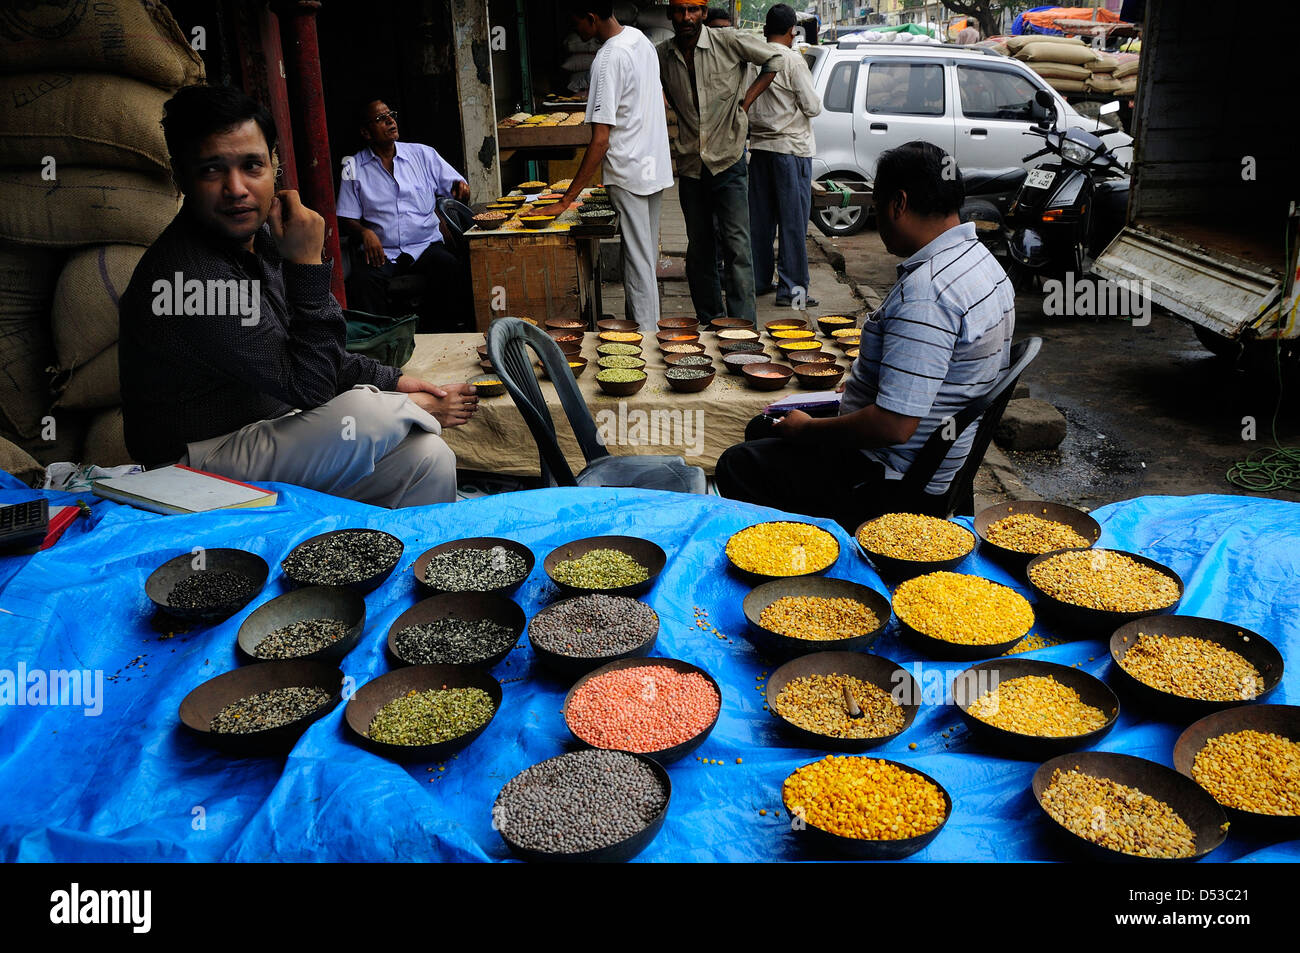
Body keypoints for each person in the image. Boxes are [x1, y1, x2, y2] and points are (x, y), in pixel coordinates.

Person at [119, 85, 478, 508]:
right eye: (212, 171)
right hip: (190, 465)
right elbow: (309, 385)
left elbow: (307, 353)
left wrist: (392, 379)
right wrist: (307, 264)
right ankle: (415, 409)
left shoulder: (258, 241)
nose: (236, 188)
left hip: (264, 435)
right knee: (366, 417)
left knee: (428, 457)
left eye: (252, 165)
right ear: (181, 177)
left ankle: (415, 563)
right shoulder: (190, 279)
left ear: (275, 167)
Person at [716, 141, 1016, 531]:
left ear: (898, 204)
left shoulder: (929, 293)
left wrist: (809, 431)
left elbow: (893, 427)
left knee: (736, 465)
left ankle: (802, 558)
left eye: (877, 202)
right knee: (763, 429)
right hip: (938, 456)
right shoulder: (982, 262)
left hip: (897, 479)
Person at [536, 1, 673, 337]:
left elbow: (600, 140)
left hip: (630, 172)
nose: (578, 33)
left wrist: (567, 199)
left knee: (638, 264)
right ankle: (642, 330)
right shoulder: (641, 40)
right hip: (653, 166)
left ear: (592, 19)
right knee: (643, 259)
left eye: (578, 24)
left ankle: (646, 342)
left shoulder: (608, 58)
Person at [658, 0, 782, 326]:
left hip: (728, 161)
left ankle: (742, 330)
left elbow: (775, 58)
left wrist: (745, 102)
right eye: (680, 10)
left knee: (738, 248)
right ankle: (712, 323)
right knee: (699, 250)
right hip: (690, 165)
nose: (687, 17)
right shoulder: (662, 55)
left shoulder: (726, 41)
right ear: (670, 13)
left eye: (694, 10)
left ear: (703, 12)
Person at [336, 98, 473, 332]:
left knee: (451, 269)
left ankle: (444, 335)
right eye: (381, 119)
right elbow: (346, 216)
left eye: (391, 115)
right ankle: (379, 344)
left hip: (425, 245)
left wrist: (462, 189)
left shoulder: (423, 155)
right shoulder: (353, 166)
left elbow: (457, 187)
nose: (390, 121)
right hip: (383, 252)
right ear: (366, 133)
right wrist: (364, 232)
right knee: (362, 283)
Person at [747, 3, 821, 309]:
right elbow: (813, 107)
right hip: (791, 152)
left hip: (761, 151)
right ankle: (792, 291)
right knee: (792, 223)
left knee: (760, 222)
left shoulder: (753, 59)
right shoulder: (792, 60)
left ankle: (759, 280)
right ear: (793, 31)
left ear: (765, 30)